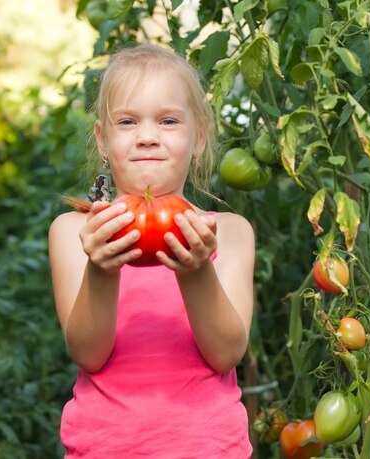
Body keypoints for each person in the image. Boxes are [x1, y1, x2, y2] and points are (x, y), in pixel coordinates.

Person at [48, 43, 255, 458]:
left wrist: (196, 270)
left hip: (210, 449)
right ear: (102, 141)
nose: (146, 137)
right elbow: (88, 354)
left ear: (199, 136)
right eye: (127, 122)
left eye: (168, 121)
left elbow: (226, 354)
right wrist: (101, 270)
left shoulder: (227, 232)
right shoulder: (76, 232)